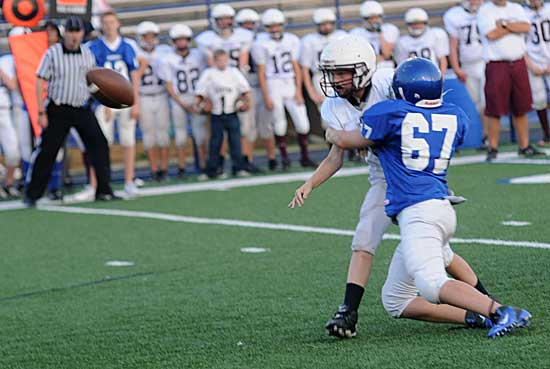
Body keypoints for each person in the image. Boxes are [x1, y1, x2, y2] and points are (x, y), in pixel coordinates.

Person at [289, 36, 499, 338]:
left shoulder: (389, 82)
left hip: (413, 173)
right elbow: (336, 157)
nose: (335, 80)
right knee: (364, 237)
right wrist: (310, 183)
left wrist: (339, 135)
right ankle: (348, 311)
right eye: (332, 73)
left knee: (442, 254)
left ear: (363, 69)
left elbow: (409, 121)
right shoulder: (334, 106)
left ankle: (486, 301)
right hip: (381, 176)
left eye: (341, 72)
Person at [324, 58, 531, 338]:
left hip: (419, 212)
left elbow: (351, 140)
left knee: (432, 284)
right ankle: (477, 316)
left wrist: (331, 131)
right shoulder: (455, 115)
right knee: (396, 299)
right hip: (438, 207)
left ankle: (499, 311)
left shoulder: (390, 114)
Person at [24, 17, 116, 207]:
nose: (74, 36)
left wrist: (105, 103)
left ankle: (104, 190)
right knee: (48, 151)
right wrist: (41, 111)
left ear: (82, 33)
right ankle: (33, 194)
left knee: (99, 144)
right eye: (71, 31)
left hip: (82, 107)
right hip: (58, 108)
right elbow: (40, 80)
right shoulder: (53, 53)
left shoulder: (87, 53)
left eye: (77, 32)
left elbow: (93, 81)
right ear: (65, 32)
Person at [196, 4, 261, 173]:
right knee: (218, 137)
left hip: (238, 86)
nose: (225, 23)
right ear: (214, 21)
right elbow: (213, 69)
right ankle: (219, 164)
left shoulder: (244, 36)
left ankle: (245, 161)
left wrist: (243, 94)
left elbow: (243, 64)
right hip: (219, 91)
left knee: (245, 130)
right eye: (221, 20)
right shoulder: (207, 40)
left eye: (227, 19)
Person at [478, 0, 543, 161]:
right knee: (495, 108)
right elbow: (491, 34)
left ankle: (524, 145)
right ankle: (492, 147)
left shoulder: (516, 8)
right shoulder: (485, 10)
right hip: (497, 63)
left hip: (518, 61)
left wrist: (504, 25)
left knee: (521, 107)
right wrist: (513, 26)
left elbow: (527, 27)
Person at [252, 8, 316, 170]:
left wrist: (299, 91)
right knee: (279, 124)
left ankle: (304, 156)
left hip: (290, 84)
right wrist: (266, 95)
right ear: (265, 27)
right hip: (273, 85)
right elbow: (261, 72)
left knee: (303, 124)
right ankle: (285, 158)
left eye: (277, 25)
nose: (274, 29)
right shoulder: (261, 44)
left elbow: (296, 67)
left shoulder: (292, 40)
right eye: (270, 26)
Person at [87, 10, 141, 196]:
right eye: (106, 22)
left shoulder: (128, 45)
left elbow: (134, 75)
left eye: (112, 22)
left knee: (128, 141)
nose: (109, 26)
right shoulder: (94, 47)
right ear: (101, 25)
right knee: (100, 144)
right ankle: (96, 184)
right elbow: (91, 77)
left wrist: (136, 101)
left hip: (126, 99)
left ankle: (129, 181)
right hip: (104, 102)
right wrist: (104, 101)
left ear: (118, 24)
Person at [194, 49, 251, 179]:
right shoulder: (209, 73)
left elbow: (245, 89)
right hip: (216, 113)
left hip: (232, 111)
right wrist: (199, 106)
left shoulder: (233, 72)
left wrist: (247, 102)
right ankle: (212, 169)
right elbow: (200, 92)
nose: (222, 63)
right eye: (219, 60)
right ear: (214, 61)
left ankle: (239, 167)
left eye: (224, 60)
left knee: (235, 141)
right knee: (215, 143)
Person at [235, 9, 278, 171]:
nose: (248, 27)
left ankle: (272, 159)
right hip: (245, 87)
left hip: (264, 86)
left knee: (267, 125)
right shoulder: (235, 42)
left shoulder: (263, 40)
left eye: (251, 23)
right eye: (245, 24)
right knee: (247, 128)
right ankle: (248, 160)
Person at [162, 24, 208, 177]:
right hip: (178, 98)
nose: (182, 43)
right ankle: (182, 167)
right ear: (173, 42)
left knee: (200, 133)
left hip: (196, 96)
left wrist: (199, 99)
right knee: (180, 135)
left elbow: (205, 78)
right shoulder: (168, 59)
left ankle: (203, 165)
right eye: (178, 40)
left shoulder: (198, 55)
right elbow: (169, 85)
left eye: (184, 40)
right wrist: (182, 103)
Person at [444, 0, 489, 149]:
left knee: (486, 102)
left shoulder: (489, 11)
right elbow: (453, 44)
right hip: (468, 65)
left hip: (486, 61)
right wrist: (456, 67)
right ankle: (486, 136)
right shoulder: (454, 16)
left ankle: (488, 136)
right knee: (478, 104)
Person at [130, 21, 172, 181]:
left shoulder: (164, 51)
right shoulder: (134, 52)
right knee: (149, 136)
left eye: (151, 36)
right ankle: (154, 170)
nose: (148, 39)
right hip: (144, 96)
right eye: (145, 36)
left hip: (161, 95)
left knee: (163, 135)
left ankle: (165, 169)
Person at [300, 8, 346, 125]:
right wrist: (311, 92)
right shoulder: (309, 41)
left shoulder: (342, 36)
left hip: (341, 74)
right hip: (320, 76)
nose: (327, 27)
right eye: (323, 24)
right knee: (327, 117)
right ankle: (332, 143)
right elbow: (304, 68)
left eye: (329, 23)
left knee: (345, 112)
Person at [524, 0, 550, 147]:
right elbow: (520, 42)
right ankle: (547, 134)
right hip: (533, 61)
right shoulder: (521, 13)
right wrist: (530, 64)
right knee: (539, 99)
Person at [394, 8, 449, 75]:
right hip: (413, 77)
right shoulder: (402, 42)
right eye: (414, 23)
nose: (417, 26)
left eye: (419, 23)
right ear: (408, 24)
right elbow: (402, 66)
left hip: (433, 74)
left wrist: (442, 76)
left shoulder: (434, 35)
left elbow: (442, 59)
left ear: (425, 23)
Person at [350, 1, 399, 67]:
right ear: (364, 19)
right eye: (371, 18)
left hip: (388, 68)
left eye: (377, 17)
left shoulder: (389, 29)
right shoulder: (356, 33)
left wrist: (379, 32)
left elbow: (386, 54)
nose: (374, 21)